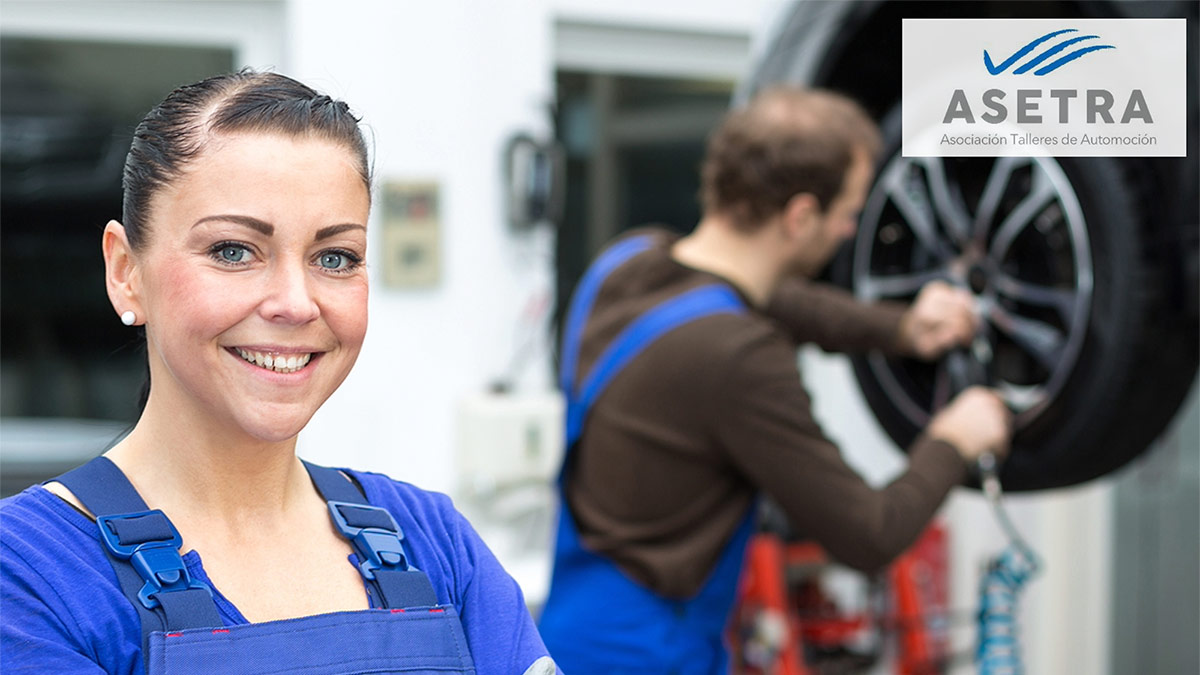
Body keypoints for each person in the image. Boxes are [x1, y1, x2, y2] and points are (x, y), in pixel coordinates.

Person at [0, 70, 556, 675]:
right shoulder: (31, 573)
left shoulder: (434, 543)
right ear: (125, 271)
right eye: (233, 251)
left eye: (335, 257)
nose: (295, 302)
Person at [537, 87, 1012, 672]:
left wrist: (904, 328)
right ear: (800, 217)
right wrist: (954, 441)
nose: (849, 230)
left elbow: (775, 300)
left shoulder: (625, 264)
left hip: (563, 637)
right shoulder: (742, 357)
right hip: (652, 655)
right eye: (847, 213)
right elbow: (870, 533)